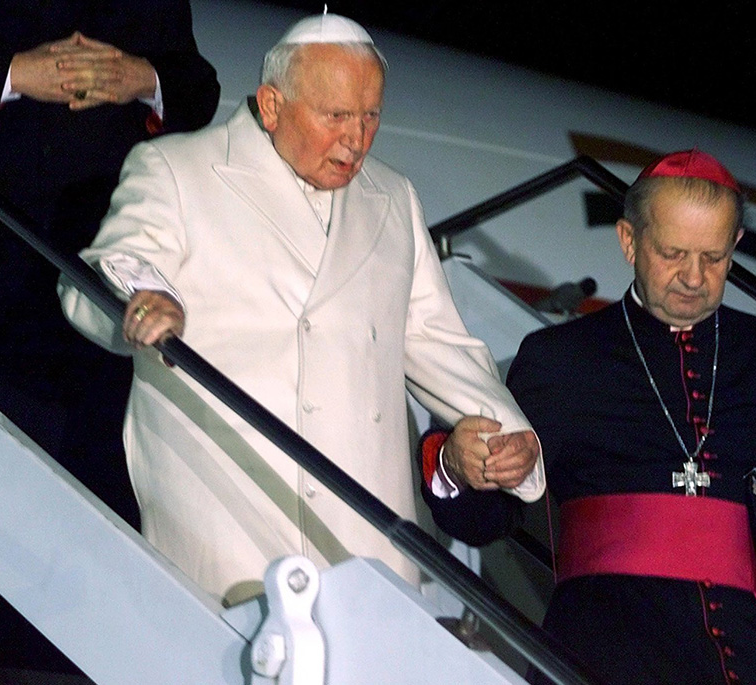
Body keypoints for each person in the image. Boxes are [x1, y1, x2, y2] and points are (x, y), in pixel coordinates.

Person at [59, 12, 544, 607]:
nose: (357, 139)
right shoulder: (179, 170)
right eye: (336, 115)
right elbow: (110, 267)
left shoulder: (393, 196)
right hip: (230, 516)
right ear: (271, 105)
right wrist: (144, 300)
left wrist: (508, 436)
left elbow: (436, 340)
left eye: (371, 116)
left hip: (365, 536)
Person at [424, 150, 756, 684]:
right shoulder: (560, 358)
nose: (693, 276)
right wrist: (458, 464)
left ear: (734, 247)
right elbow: (484, 520)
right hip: (603, 647)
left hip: (754, 650)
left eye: (713, 257)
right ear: (628, 241)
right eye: (673, 253)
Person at [0, 0, 220, 676]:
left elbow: (197, 89)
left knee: (95, 486)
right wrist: (14, 75)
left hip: (106, 285)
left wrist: (144, 79)